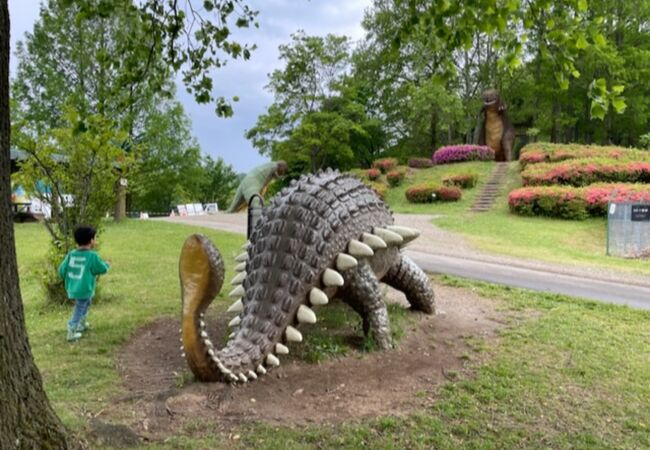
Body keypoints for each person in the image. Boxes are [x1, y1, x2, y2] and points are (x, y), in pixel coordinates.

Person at [58, 225, 110, 342]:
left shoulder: (71, 254)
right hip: (84, 287)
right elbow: (100, 269)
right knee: (80, 306)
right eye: (95, 238)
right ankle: (72, 329)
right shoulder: (92, 256)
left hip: (73, 287)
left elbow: (61, 270)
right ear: (91, 240)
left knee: (86, 303)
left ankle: (81, 324)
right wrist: (106, 265)